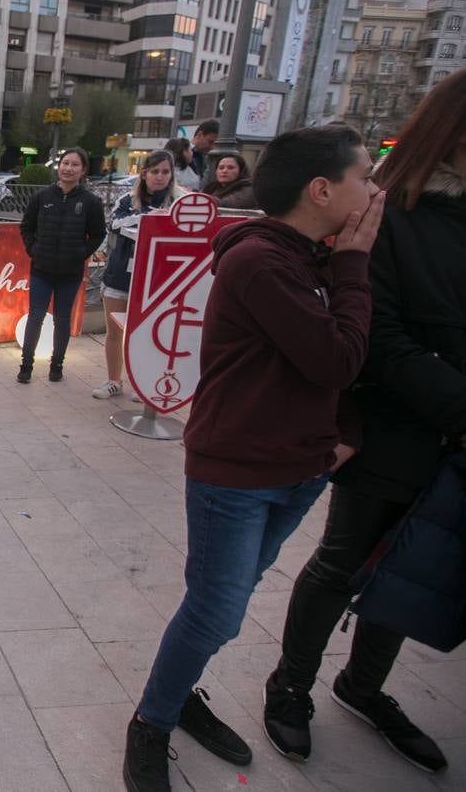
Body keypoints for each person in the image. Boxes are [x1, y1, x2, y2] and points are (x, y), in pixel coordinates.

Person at [123, 123, 386, 792]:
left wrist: (344, 431)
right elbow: (335, 355)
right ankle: (152, 721)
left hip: (300, 470)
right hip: (235, 473)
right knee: (218, 609)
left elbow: (348, 367)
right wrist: (354, 265)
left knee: (224, 602)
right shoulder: (262, 260)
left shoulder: (314, 254)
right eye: (364, 175)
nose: (374, 188)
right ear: (321, 189)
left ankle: (178, 694)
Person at [260, 71, 466, 775]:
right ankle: (290, 687)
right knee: (342, 563)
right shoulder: (385, 218)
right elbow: (374, 339)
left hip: (452, 447)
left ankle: (364, 685)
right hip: (389, 429)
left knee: (414, 570)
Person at [94, 150, 186, 400]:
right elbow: (114, 223)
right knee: (115, 330)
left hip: (158, 279)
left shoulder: (180, 201)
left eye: (165, 172)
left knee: (151, 333)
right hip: (121, 274)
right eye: (154, 171)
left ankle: (145, 384)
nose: (159, 177)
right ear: (144, 174)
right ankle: (114, 380)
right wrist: (148, 218)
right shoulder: (127, 199)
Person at [17, 146, 106, 384]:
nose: (68, 168)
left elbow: (98, 234)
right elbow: (26, 227)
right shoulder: (42, 197)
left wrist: (81, 254)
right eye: (65, 163)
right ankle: (26, 366)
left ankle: (57, 365)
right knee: (35, 317)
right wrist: (33, 250)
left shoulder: (91, 202)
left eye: (75, 164)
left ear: (83, 170)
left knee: (62, 319)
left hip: (70, 273)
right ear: (59, 166)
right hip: (41, 270)